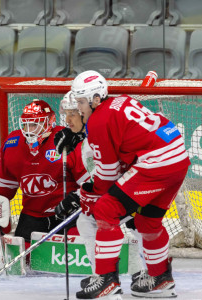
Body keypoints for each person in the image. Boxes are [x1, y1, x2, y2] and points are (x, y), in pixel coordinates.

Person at [68, 70, 189, 299]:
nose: (79, 107)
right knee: (147, 220)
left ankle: (106, 282)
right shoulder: (120, 100)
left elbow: (107, 174)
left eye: (82, 101)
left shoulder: (98, 120)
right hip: (177, 158)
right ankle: (160, 279)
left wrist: (91, 194)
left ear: (96, 99)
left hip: (158, 162)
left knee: (105, 208)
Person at [54, 91, 147, 292]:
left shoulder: (98, 131)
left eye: (73, 113)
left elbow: (108, 175)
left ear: (83, 110)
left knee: (127, 220)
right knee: (89, 220)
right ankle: (106, 277)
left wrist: (79, 197)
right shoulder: (89, 134)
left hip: (139, 182)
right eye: (67, 114)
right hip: (131, 182)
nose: (68, 120)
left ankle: (127, 276)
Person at [0, 99, 89, 247]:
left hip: (68, 214)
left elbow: (90, 183)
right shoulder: (12, 144)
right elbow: (2, 189)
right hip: (33, 215)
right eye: (27, 124)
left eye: (35, 124)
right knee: (24, 258)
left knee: (79, 249)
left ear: (51, 122)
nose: (30, 130)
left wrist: (81, 202)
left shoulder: (67, 139)